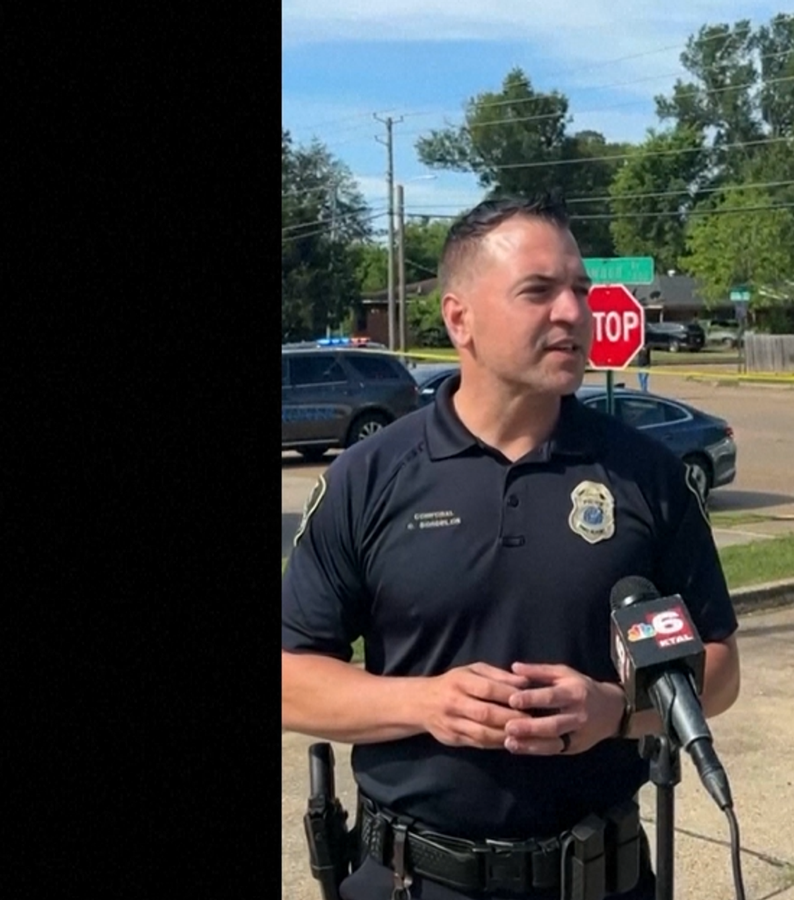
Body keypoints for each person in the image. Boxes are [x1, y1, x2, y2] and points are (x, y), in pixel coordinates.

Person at [281, 193, 741, 900]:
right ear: (459, 318)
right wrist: (426, 703)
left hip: (599, 880)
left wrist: (615, 710)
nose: (572, 312)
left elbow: (719, 668)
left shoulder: (644, 476)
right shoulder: (369, 476)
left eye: (580, 290)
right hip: (413, 880)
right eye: (538, 291)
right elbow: (293, 680)